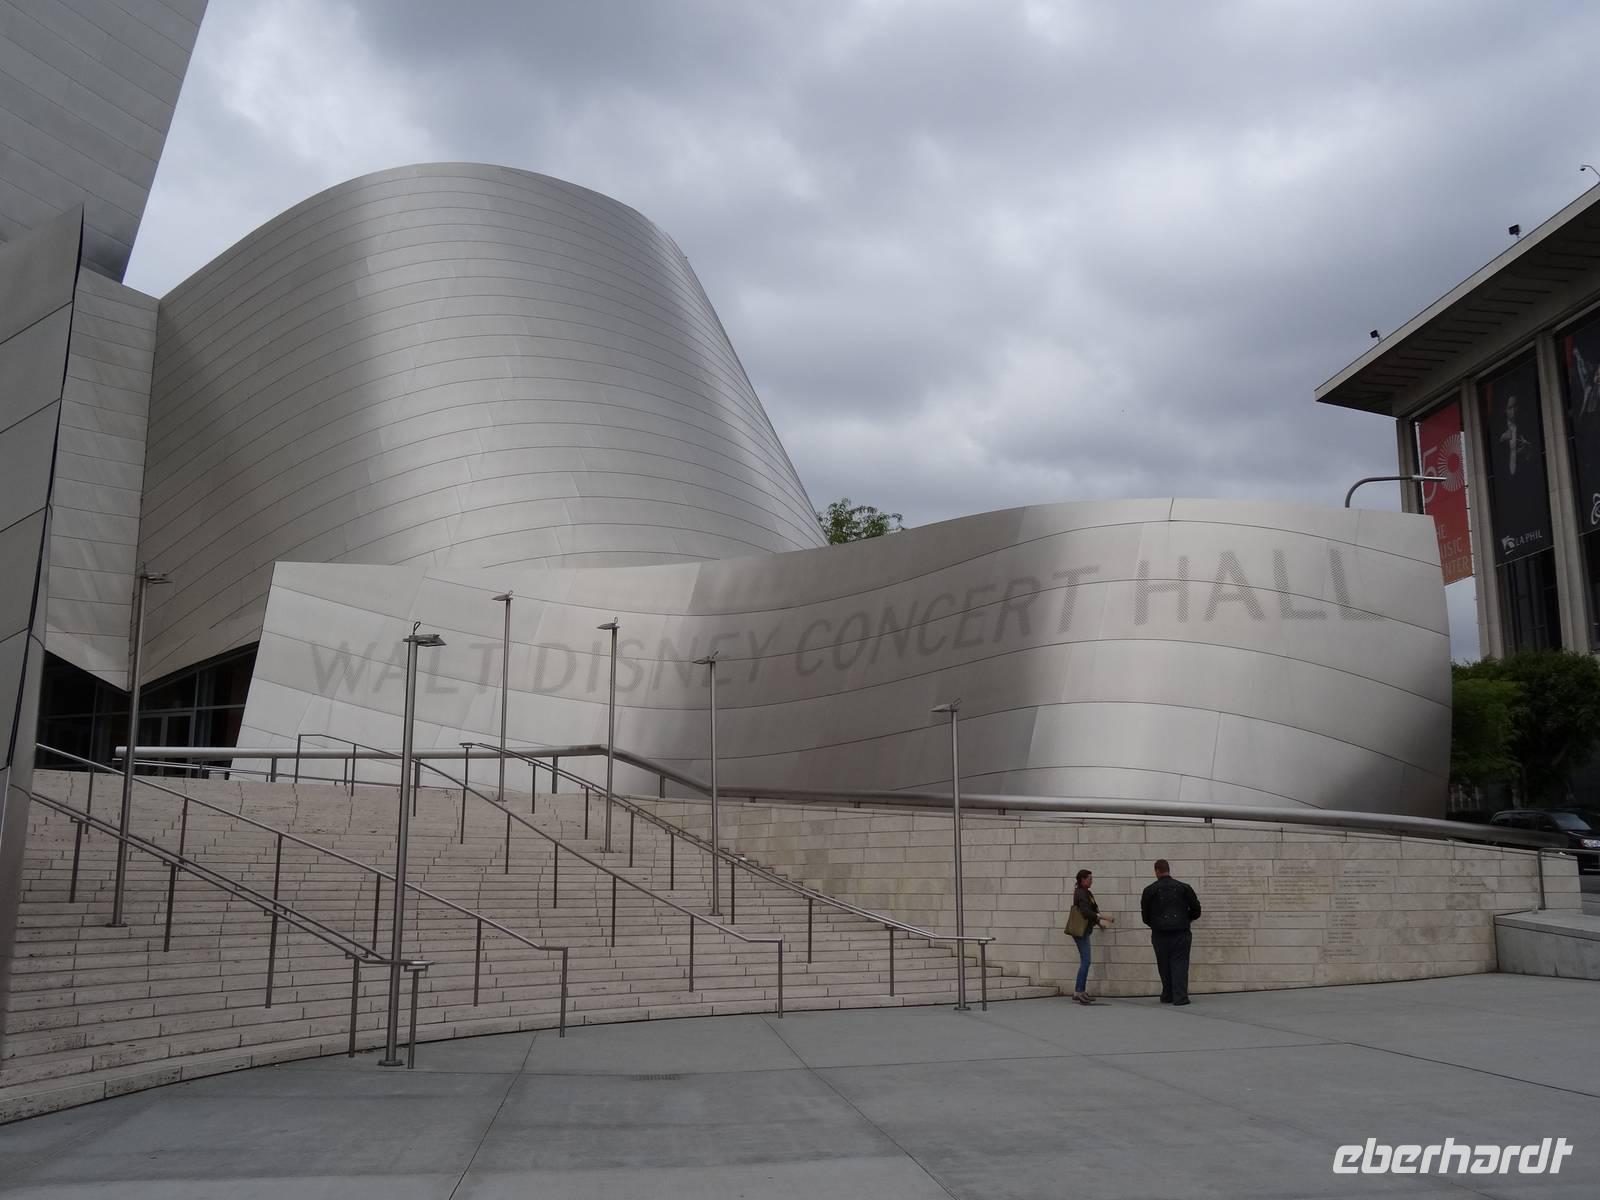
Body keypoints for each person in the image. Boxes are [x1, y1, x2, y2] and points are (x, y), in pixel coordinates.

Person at [1140, 859, 1201, 1005]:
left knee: (1164, 964)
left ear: (1157, 871)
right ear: (1168, 869)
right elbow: (1196, 910)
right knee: (1180, 963)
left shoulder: (1149, 890)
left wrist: (1156, 924)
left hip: (1160, 933)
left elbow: (1145, 916)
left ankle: (1167, 995)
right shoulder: (1184, 888)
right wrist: (1186, 920)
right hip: (1181, 932)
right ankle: (1180, 997)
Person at [1067, 868, 1113, 1005]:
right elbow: (1086, 912)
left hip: (1084, 931)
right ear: (1082, 880)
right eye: (1089, 878)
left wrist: (1099, 924)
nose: (1092, 881)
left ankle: (1079, 991)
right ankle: (1079, 991)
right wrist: (1104, 917)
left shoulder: (1087, 893)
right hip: (1080, 931)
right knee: (1086, 961)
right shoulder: (1081, 893)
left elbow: (1093, 910)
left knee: (1085, 961)